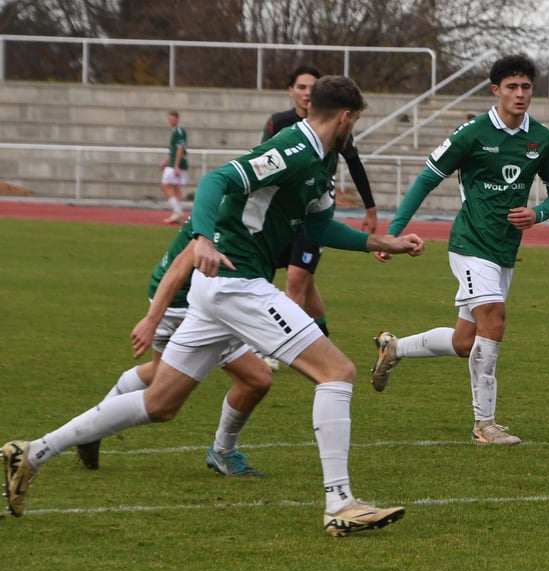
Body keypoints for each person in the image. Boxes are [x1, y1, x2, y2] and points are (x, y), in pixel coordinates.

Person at [3, 75, 425, 537]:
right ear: (345, 117)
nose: (354, 132)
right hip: (236, 283)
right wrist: (203, 236)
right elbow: (217, 179)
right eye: (356, 122)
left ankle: (33, 452)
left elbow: (321, 227)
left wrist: (383, 243)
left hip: (222, 290)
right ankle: (339, 501)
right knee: (337, 372)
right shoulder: (293, 147)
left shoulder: (321, 162)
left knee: (161, 402)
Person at [369, 54, 549, 445]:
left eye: (526, 87)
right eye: (511, 87)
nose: (520, 94)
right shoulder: (472, 133)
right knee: (494, 321)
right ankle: (484, 426)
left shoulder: (541, 139)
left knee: (465, 343)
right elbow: (427, 179)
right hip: (469, 243)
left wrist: (539, 212)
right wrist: (393, 233)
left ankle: (394, 348)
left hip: (504, 250)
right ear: (495, 91)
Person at [74, 217, 272, 477]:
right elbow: (184, 262)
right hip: (187, 303)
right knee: (256, 379)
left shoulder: (233, 192)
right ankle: (222, 452)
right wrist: (151, 320)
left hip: (177, 294)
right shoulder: (235, 202)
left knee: (160, 372)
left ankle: (93, 426)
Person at [262, 64, 379, 356]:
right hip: (283, 215)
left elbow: (355, 164)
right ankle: (322, 336)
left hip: (315, 213)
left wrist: (370, 208)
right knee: (305, 281)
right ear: (291, 91)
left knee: (296, 279)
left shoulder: (339, 129)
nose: (306, 93)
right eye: (301, 87)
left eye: (312, 88)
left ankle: (277, 346)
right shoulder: (279, 125)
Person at [159, 110, 189, 224]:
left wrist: (176, 165)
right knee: (176, 187)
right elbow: (174, 150)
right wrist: (166, 161)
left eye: (172, 119)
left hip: (177, 164)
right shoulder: (176, 131)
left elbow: (180, 148)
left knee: (165, 184)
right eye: (169, 119)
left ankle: (177, 211)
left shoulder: (179, 131)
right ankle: (178, 213)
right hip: (174, 163)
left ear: (177, 119)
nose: (170, 121)